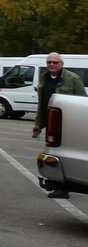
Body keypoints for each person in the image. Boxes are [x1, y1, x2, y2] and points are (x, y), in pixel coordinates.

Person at [33, 52, 87, 199]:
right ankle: (57, 185)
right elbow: (42, 104)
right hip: (52, 122)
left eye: (54, 62)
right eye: (49, 62)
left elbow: (82, 103)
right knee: (52, 153)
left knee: (64, 153)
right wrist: (38, 123)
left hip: (68, 123)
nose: (51, 65)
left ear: (61, 64)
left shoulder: (73, 79)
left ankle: (65, 186)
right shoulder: (44, 78)